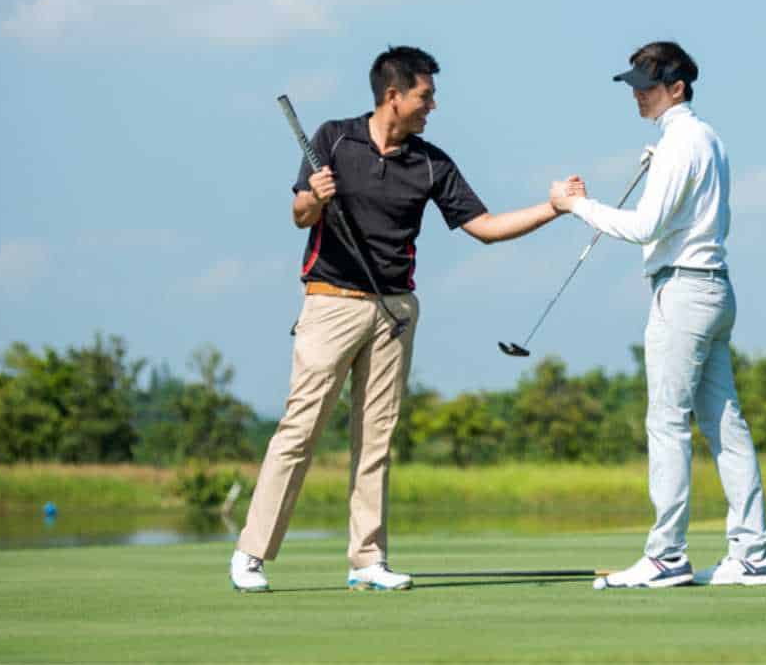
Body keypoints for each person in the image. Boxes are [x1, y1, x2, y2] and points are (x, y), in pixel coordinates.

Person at [230, 45, 577, 592]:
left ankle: (367, 561)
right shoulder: (332, 139)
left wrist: (554, 209)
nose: (432, 106)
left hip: (395, 311)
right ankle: (251, 553)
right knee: (300, 430)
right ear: (394, 95)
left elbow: (483, 226)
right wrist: (315, 198)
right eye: (425, 95)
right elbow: (300, 215)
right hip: (330, 302)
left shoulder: (431, 162)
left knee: (376, 438)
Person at [550, 40, 766, 588]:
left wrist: (575, 206)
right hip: (714, 291)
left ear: (676, 88)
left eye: (647, 86)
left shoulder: (682, 142)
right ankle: (752, 554)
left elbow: (644, 227)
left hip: (684, 293)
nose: (638, 95)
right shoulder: (705, 139)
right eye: (634, 85)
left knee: (668, 422)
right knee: (725, 426)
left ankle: (667, 555)